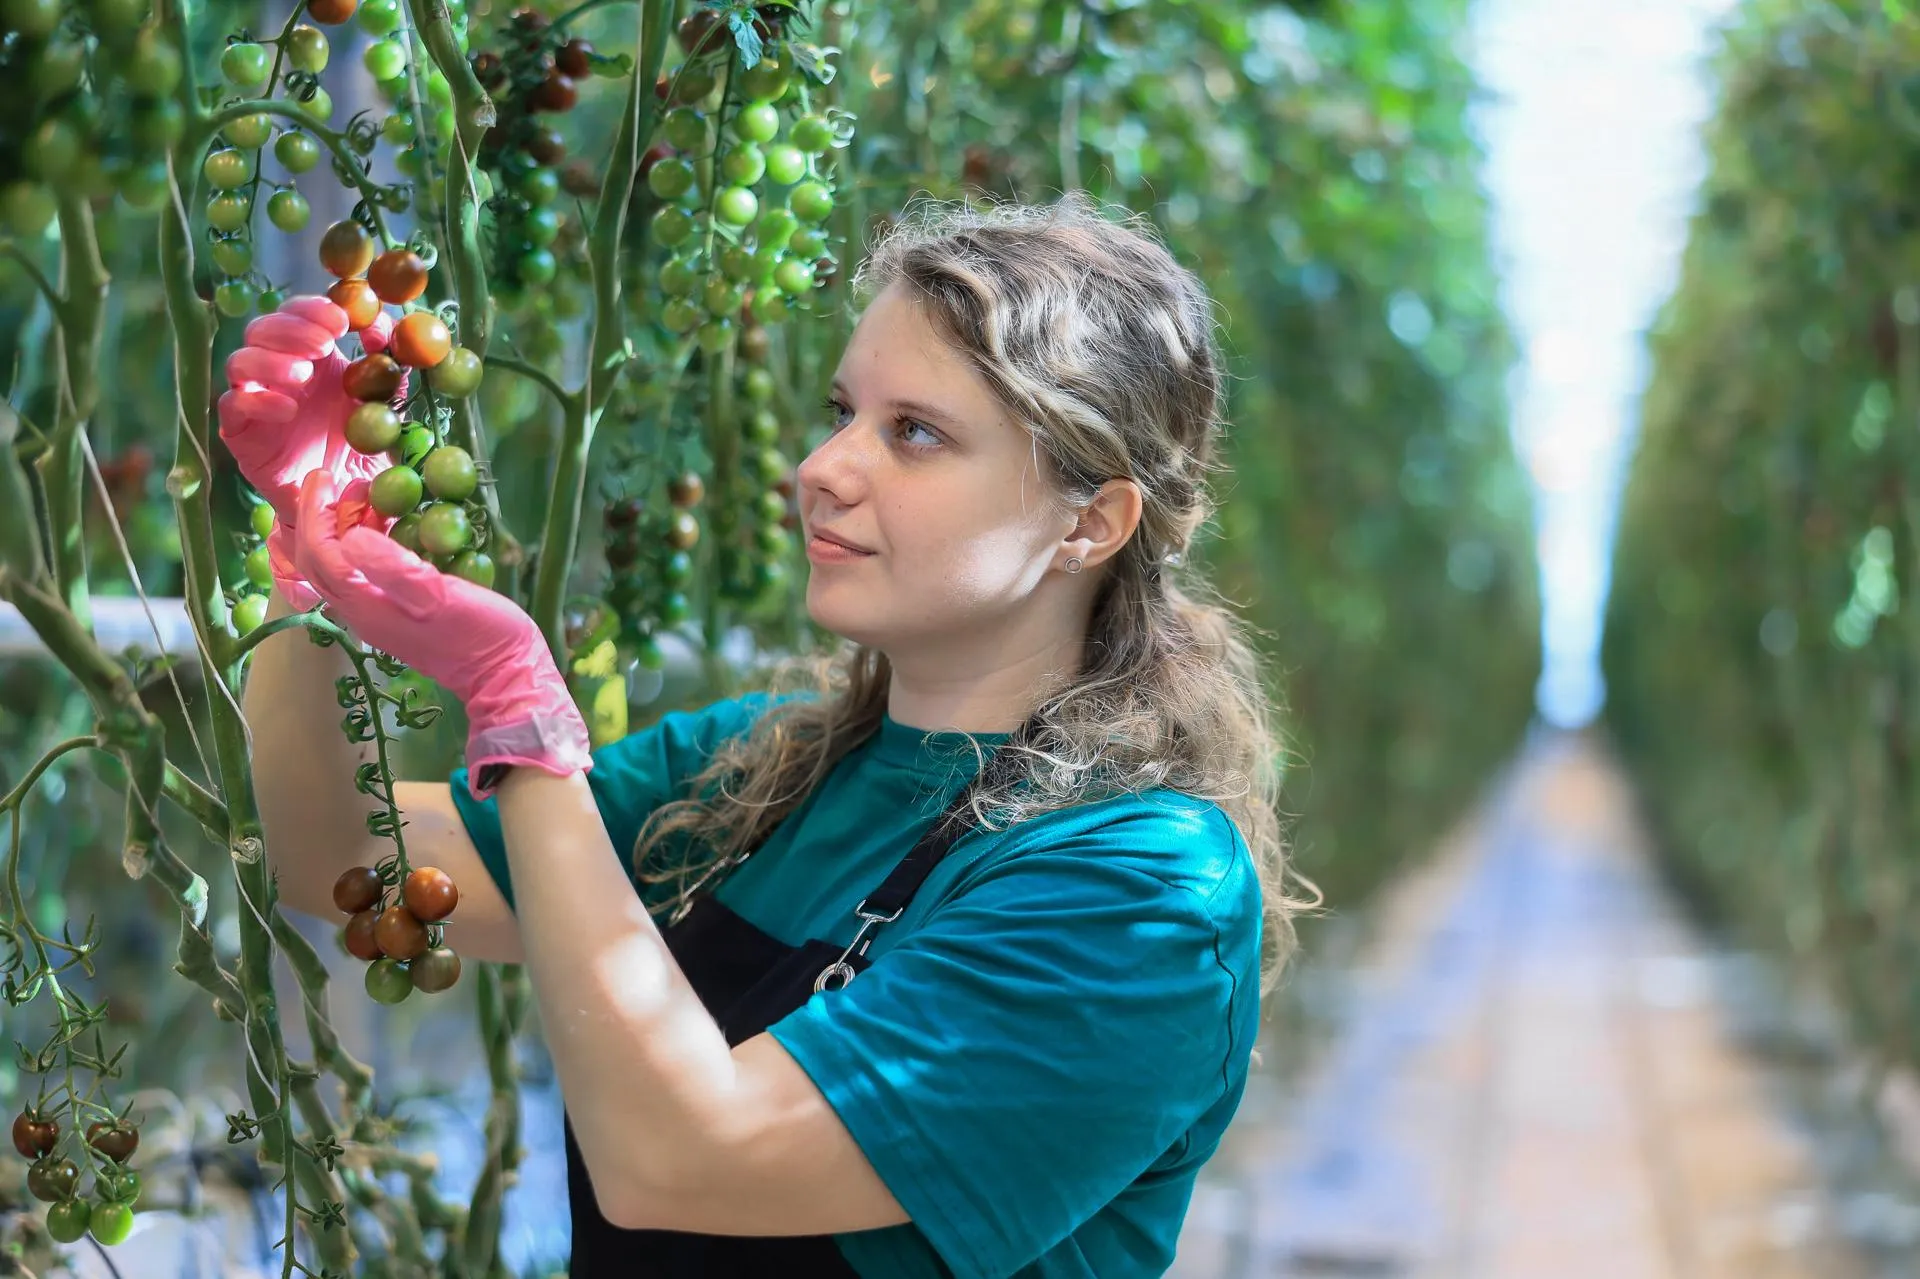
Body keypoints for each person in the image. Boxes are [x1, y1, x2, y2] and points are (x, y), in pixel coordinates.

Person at [226, 194, 1311, 1279]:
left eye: (915, 433)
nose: (824, 467)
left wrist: (518, 703)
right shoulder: (761, 772)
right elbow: (341, 860)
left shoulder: (1142, 892)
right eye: (844, 412)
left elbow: (680, 1157)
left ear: (1090, 522)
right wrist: (313, 553)